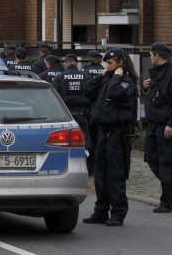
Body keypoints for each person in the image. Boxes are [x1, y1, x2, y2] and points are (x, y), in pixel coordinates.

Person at [83, 48, 138, 226]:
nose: (107, 65)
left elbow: (116, 94)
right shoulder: (107, 78)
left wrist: (116, 77)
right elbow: (88, 91)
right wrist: (102, 74)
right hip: (103, 133)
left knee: (115, 174)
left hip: (117, 133)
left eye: (110, 63)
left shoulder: (126, 81)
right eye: (106, 63)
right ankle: (101, 211)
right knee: (100, 174)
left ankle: (118, 212)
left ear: (120, 63)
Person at [142, 43, 172, 213]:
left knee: (166, 163)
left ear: (157, 56)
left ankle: (166, 201)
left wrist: (171, 124)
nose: (149, 57)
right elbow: (155, 96)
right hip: (153, 124)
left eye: (150, 55)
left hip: (166, 125)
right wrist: (146, 87)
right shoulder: (156, 74)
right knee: (151, 158)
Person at [53, 54, 92, 173]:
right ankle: (88, 167)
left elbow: (54, 95)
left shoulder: (60, 77)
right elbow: (93, 93)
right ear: (76, 63)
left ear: (66, 63)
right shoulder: (86, 76)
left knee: (65, 141)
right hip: (83, 114)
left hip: (66, 115)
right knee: (85, 139)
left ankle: (64, 166)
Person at [83, 49, 105, 176]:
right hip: (103, 108)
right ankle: (101, 166)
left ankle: (90, 166)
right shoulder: (106, 71)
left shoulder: (85, 73)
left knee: (91, 139)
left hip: (89, 109)